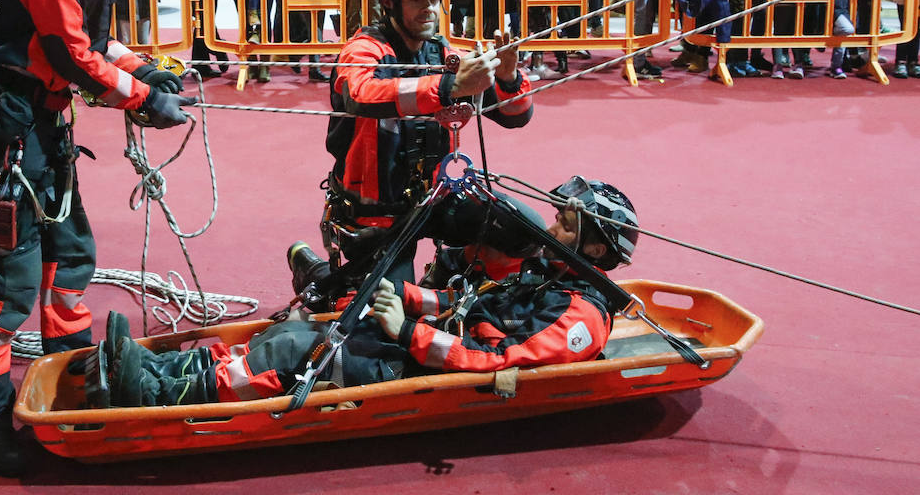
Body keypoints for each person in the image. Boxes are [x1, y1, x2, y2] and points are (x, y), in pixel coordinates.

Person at [0, 0, 194, 476]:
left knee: (70, 259)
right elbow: (71, 58)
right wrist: (142, 99)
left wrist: (146, 70)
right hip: (14, 132)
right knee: (7, 288)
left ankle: (73, 386)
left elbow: (90, 44)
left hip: (43, 126)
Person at [87, 178, 638, 408]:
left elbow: (495, 359)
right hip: (422, 347)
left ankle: (160, 395)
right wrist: (409, 302)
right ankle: (166, 372)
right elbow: (469, 304)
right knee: (295, 330)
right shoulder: (545, 274)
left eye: (565, 225)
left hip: (430, 372)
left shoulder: (579, 316)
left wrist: (406, 329)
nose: (550, 228)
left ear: (594, 251)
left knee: (295, 355)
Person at [323, 0, 533, 288]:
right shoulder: (363, 49)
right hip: (378, 213)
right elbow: (361, 95)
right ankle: (314, 270)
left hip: (437, 197)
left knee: (524, 231)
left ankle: (446, 270)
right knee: (390, 315)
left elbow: (516, 116)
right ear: (389, 1)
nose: (429, 8)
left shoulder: (444, 52)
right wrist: (448, 88)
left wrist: (508, 79)